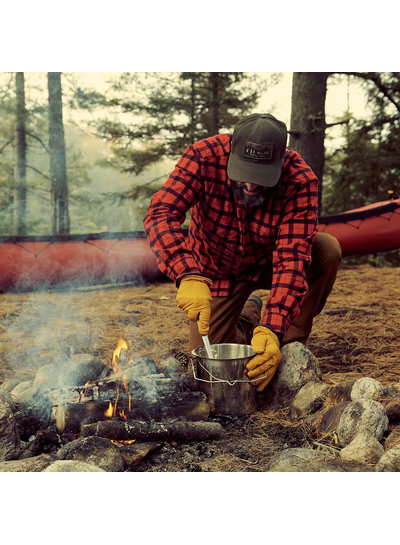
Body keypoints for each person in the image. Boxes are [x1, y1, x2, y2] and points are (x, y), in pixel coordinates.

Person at [143, 113, 342, 392]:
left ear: (280, 161)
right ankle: (248, 320)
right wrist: (187, 273)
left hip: (269, 263)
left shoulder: (299, 180)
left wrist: (272, 329)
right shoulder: (203, 156)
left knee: (326, 249)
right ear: (231, 151)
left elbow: (292, 260)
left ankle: (287, 343)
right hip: (215, 270)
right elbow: (160, 213)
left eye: (261, 177)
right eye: (244, 174)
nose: (250, 185)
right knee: (210, 363)